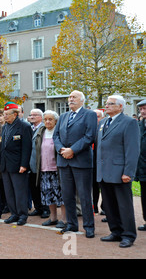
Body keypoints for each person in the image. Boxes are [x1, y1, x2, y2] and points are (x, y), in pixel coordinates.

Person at [96, 95, 140, 248]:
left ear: (120, 106)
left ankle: (128, 235)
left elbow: (132, 149)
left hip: (120, 172)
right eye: (106, 103)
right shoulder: (102, 123)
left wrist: (128, 172)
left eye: (110, 104)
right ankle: (115, 231)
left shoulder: (129, 123)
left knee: (124, 206)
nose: (106, 106)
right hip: (104, 172)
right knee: (109, 204)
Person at [53, 90, 97, 238]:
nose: (71, 99)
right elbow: (56, 135)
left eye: (74, 97)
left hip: (81, 162)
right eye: (69, 97)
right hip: (64, 161)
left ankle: (89, 226)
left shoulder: (89, 114)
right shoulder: (63, 116)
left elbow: (89, 136)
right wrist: (61, 150)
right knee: (67, 195)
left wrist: (73, 150)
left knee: (84, 196)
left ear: (82, 100)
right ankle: (71, 224)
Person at [0, 102, 33, 225]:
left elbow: (27, 148)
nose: (5, 117)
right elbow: (2, 146)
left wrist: (24, 165)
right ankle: (14, 214)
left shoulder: (24, 126)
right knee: (9, 192)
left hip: (18, 165)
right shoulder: (4, 127)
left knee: (20, 192)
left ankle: (22, 215)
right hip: (5, 165)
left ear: (15, 114)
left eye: (7, 114)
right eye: (4, 114)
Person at [32, 110, 66, 228]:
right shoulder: (41, 131)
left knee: (60, 195)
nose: (47, 121)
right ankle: (53, 218)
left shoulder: (60, 132)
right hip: (44, 169)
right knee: (48, 195)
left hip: (57, 169)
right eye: (45, 119)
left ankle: (64, 219)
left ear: (56, 121)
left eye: (50, 119)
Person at [28, 108, 49, 218]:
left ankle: (46, 209)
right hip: (31, 163)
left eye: (35, 115)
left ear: (40, 117)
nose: (32, 117)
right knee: (33, 187)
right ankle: (38, 207)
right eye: (31, 115)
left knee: (43, 187)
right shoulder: (29, 128)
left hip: (41, 162)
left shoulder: (44, 128)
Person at [136, 99, 146, 231]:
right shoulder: (138, 125)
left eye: (145, 108)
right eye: (141, 109)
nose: (143, 112)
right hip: (142, 168)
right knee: (144, 196)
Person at [92, 109, 105, 214]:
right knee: (93, 187)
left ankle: (105, 208)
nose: (95, 119)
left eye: (98, 116)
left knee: (104, 187)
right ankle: (94, 206)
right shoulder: (88, 128)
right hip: (90, 163)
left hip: (102, 163)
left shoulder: (104, 128)